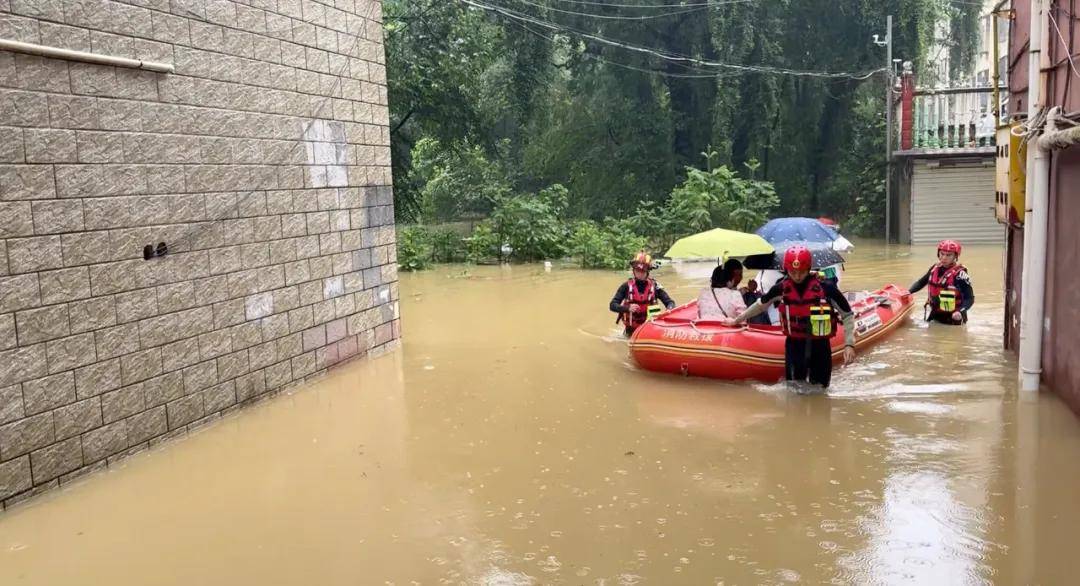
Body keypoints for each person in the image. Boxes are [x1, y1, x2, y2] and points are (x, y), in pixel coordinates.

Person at [721, 246, 856, 389]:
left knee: (820, 392)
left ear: (808, 268)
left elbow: (847, 315)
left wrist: (849, 344)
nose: (797, 276)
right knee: (794, 391)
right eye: (793, 272)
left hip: (820, 347)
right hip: (794, 347)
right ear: (786, 269)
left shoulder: (826, 288)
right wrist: (736, 320)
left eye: (801, 272)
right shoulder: (781, 288)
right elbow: (760, 305)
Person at [610, 251, 676, 336]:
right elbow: (612, 305)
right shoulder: (626, 286)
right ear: (634, 270)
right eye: (638, 270)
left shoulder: (655, 286)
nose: (640, 274)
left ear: (647, 272)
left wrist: (669, 310)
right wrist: (627, 308)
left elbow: (670, 302)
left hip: (651, 329)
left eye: (643, 271)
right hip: (631, 331)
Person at [908, 239, 973, 325]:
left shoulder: (960, 275)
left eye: (948, 255)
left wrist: (960, 312)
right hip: (936, 314)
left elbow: (969, 298)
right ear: (938, 253)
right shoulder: (934, 268)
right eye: (942, 254)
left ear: (955, 256)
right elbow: (921, 283)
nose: (944, 258)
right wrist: (908, 292)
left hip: (955, 317)